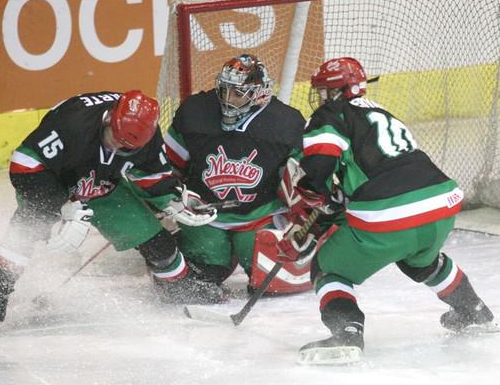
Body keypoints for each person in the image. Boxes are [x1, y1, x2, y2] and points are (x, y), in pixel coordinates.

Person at [275, 57, 495, 364]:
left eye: (326, 91)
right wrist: (326, 206)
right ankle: (473, 310)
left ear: (339, 91)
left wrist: (309, 201)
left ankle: (347, 332)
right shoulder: (381, 112)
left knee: (328, 269)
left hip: (390, 211)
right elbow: (356, 185)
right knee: (420, 261)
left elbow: (320, 167)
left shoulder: (332, 113)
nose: (322, 98)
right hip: (441, 201)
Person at [0, 90, 219, 333]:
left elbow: (152, 175)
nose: (116, 147)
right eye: (112, 139)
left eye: (125, 149)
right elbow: (25, 165)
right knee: (27, 230)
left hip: (100, 185)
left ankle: (179, 285)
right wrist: (62, 206)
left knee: (157, 242)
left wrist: (175, 199)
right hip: (51, 182)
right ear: (108, 119)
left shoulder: (147, 133)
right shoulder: (73, 122)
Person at [160, 53, 324, 302]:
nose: (228, 99)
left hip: (259, 215)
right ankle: (205, 250)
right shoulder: (195, 113)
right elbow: (170, 165)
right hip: (206, 215)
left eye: (237, 93)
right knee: (202, 273)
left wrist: (303, 216)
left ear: (258, 93)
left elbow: (303, 182)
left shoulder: (286, 124)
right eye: (225, 91)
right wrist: (173, 199)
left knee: (270, 281)